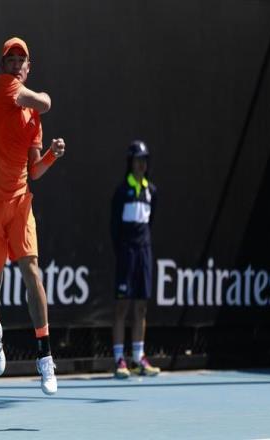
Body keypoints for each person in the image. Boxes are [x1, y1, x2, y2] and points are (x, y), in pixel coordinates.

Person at [0, 37, 65, 395]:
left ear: (28, 67)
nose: (15, 64)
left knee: (32, 273)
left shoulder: (33, 121)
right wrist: (44, 98)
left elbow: (35, 170)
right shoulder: (0, 87)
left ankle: (45, 355)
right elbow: (46, 101)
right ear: (4, 67)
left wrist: (52, 155)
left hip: (20, 203)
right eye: (10, 59)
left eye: (20, 60)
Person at [110, 140, 160, 379]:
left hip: (144, 253)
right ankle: (119, 359)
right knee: (122, 306)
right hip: (126, 253)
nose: (141, 164)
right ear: (130, 163)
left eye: (144, 160)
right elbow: (114, 227)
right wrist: (122, 250)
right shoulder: (122, 191)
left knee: (141, 306)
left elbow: (150, 222)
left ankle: (139, 358)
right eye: (138, 160)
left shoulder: (152, 192)